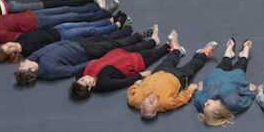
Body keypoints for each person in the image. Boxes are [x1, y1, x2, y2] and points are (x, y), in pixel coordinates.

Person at [15, 27, 161, 87]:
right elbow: (72, 70)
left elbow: (38, 53)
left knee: (105, 37)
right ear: (32, 70)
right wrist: (91, 62)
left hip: (73, 43)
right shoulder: (50, 71)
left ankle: (127, 30)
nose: (23, 62)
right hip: (84, 52)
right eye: (23, 66)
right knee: (113, 45)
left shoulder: (35, 59)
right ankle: (139, 37)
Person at [128, 32, 218, 119]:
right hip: (178, 78)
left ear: (142, 104)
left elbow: (130, 93)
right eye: (152, 103)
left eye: (147, 102)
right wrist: (191, 89)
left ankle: (176, 50)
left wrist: (136, 84)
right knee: (193, 65)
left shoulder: (135, 101)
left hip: (158, 72)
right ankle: (203, 53)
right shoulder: (166, 103)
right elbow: (181, 99)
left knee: (169, 59)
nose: (150, 100)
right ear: (157, 108)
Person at [69, 27, 171, 99]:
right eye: (85, 82)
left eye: (82, 79)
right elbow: (122, 83)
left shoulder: (81, 74)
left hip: (116, 55)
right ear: (90, 88)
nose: (85, 78)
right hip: (131, 64)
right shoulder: (103, 84)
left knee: (139, 47)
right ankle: (170, 46)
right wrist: (141, 75)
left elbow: (85, 69)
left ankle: (154, 41)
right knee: (152, 53)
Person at [0, 1, 118, 48]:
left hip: (33, 15)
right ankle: (103, 14)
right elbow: (21, 36)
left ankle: (94, 6)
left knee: (65, 8)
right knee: (71, 17)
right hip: (37, 24)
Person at [0, 14, 127, 62]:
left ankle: (109, 21)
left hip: (56, 29)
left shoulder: (19, 39)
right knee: (89, 31)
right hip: (61, 37)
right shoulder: (27, 51)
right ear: (12, 54)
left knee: (85, 24)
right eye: (9, 49)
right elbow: (47, 47)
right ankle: (116, 26)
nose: (10, 45)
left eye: (6, 45)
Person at [193, 38, 257, 126]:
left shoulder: (203, 102)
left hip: (217, 75)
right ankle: (244, 53)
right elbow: (245, 102)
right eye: (207, 105)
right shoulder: (232, 105)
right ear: (216, 112)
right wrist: (250, 90)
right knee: (240, 65)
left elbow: (198, 99)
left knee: (224, 62)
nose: (205, 103)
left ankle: (229, 52)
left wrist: (199, 90)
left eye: (204, 105)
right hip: (235, 78)